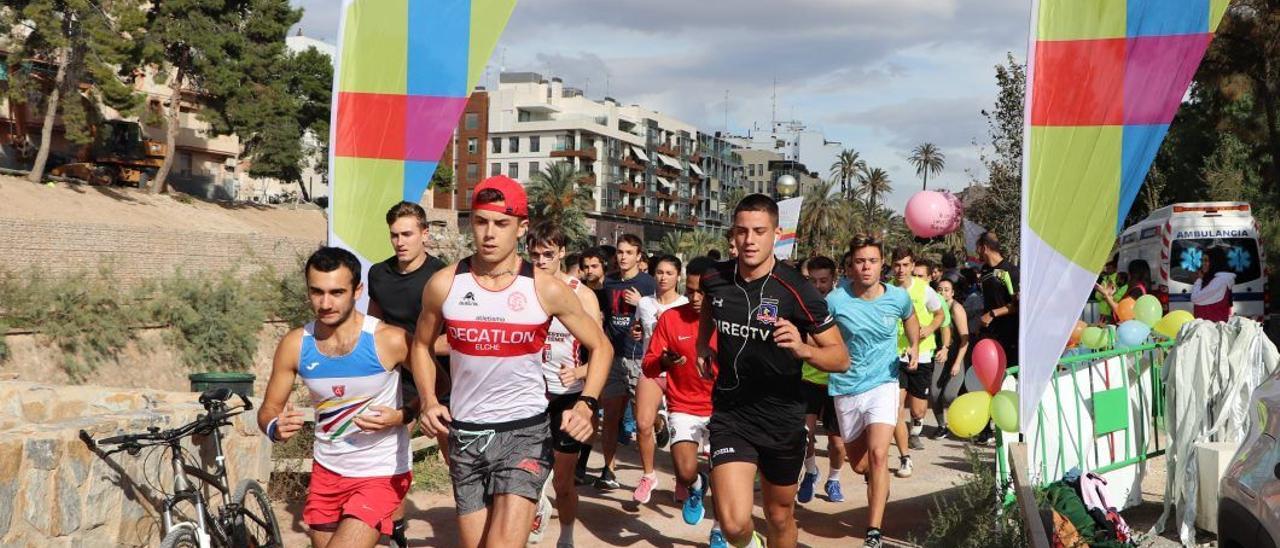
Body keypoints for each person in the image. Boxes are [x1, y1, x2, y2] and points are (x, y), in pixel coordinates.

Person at [413, 176, 612, 548]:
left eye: (501, 223)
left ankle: (531, 509)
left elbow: (602, 347)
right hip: (467, 432)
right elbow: (421, 346)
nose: (489, 233)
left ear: (521, 228)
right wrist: (428, 399)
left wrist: (586, 403)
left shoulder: (544, 287)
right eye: (480, 221)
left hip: (525, 432)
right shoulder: (444, 284)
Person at [696, 194, 849, 548]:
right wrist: (703, 345)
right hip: (731, 414)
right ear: (732, 235)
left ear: (776, 233)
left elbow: (840, 358)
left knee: (779, 516)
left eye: (759, 231)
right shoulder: (714, 278)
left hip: (782, 419)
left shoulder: (798, 290)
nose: (749, 240)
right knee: (733, 525)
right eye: (741, 231)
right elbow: (708, 309)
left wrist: (802, 348)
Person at [258, 247, 416, 548]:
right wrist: (274, 428)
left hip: (380, 471)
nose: (326, 303)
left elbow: (438, 385)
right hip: (327, 472)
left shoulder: (390, 339)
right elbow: (268, 410)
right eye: (317, 292)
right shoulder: (295, 344)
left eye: (336, 292)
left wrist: (403, 415)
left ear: (357, 291)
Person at [826, 235, 921, 548]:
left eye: (872, 261)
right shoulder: (836, 300)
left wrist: (915, 348)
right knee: (861, 464)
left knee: (880, 455)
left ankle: (873, 533)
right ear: (850, 266)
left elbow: (911, 319)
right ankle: (874, 481)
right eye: (859, 261)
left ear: (882, 265)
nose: (866, 267)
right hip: (846, 386)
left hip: (885, 381)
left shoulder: (897, 297)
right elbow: (818, 333)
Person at [365, 202, 449, 547]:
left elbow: (456, 337)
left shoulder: (442, 275)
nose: (400, 242)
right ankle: (394, 529)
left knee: (454, 455)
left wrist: (417, 349)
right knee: (388, 453)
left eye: (407, 234)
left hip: (439, 374)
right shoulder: (378, 274)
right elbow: (374, 324)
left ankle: (474, 516)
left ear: (424, 234)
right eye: (394, 235)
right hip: (393, 376)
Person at [525, 221, 604, 547]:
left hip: (569, 397)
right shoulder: (521, 288)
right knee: (526, 472)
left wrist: (582, 372)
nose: (541, 261)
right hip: (531, 393)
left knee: (563, 479)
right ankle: (535, 504)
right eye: (534, 255)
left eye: (548, 254)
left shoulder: (582, 295)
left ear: (561, 253)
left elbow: (601, 350)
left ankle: (567, 536)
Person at [641, 256, 726, 546]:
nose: (695, 297)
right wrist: (664, 360)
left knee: (724, 476)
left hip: (722, 408)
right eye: (690, 290)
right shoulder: (670, 318)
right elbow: (649, 365)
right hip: (683, 406)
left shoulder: (729, 321)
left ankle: (718, 528)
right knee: (685, 471)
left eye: (703, 292)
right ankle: (696, 486)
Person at [595, 235, 657, 490]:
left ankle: (647, 473)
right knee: (610, 417)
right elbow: (604, 314)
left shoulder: (648, 282)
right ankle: (608, 470)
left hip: (637, 358)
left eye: (629, 252)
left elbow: (657, 315)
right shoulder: (607, 281)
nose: (623, 257)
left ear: (638, 256)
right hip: (613, 356)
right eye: (620, 252)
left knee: (644, 421)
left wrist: (640, 304)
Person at [630, 254, 689, 503]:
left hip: (680, 374)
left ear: (678, 277)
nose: (663, 277)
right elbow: (638, 328)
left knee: (680, 433)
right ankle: (648, 476)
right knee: (643, 424)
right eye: (660, 272)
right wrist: (636, 333)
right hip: (652, 370)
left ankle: (683, 480)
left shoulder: (686, 304)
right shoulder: (644, 303)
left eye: (669, 273)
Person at [797, 256, 847, 504]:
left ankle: (834, 479)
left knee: (837, 445)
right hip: (808, 380)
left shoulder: (843, 305)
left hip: (838, 384)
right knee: (804, 436)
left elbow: (843, 344)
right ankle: (811, 472)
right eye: (812, 280)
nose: (818, 286)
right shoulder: (801, 304)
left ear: (834, 280)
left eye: (823, 280)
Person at [890, 247, 944, 474]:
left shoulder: (924, 290)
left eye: (905, 265)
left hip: (922, 355)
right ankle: (905, 456)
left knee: (919, 409)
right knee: (896, 406)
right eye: (897, 264)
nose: (901, 269)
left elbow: (940, 314)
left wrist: (929, 328)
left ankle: (915, 430)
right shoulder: (887, 289)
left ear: (912, 266)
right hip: (896, 354)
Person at [975, 231, 1019, 444]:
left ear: (984, 247)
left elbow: (1018, 305)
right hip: (988, 334)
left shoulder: (1011, 271)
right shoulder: (984, 271)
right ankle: (986, 428)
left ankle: (1010, 424)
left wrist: (993, 314)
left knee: (1008, 380)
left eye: (977, 248)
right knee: (987, 380)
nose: (976, 252)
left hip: (1008, 334)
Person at [928, 277, 970, 438]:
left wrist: (957, 363)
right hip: (940, 354)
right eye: (939, 289)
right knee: (935, 392)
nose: (942, 292)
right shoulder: (934, 307)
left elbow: (965, 339)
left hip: (957, 354)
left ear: (952, 293)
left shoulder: (956, 308)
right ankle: (942, 426)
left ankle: (964, 421)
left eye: (946, 289)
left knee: (950, 394)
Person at [1191, 246, 1236, 322]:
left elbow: (1195, 298)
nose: (1203, 264)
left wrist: (1199, 280)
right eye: (1202, 261)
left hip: (1213, 327)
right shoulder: (1211, 278)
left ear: (1214, 262)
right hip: (1207, 326)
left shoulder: (1220, 280)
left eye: (1206, 261)